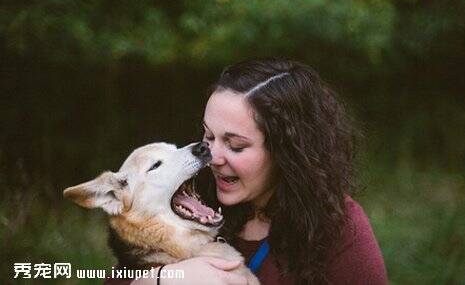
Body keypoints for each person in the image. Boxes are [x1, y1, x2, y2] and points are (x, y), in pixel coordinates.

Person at [107, 58, 387, 284]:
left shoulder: (338, 229)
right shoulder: (191, 201)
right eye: (208, 136)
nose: (212, 157)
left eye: (236, 145)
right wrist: (160, 279)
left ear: (286, 152)